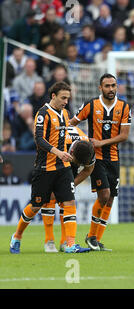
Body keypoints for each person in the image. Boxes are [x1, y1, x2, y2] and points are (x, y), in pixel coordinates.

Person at [9, 82, 90, 254]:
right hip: (44, 167)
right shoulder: (43, 113)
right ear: (53, 96)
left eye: (68, 98)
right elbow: (39, 139)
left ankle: (69, 244)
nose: (66, 101)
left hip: (63, 168)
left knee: (69, 203)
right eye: (63, 98)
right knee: (35, 206)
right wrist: (58, 152)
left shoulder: (66, 113)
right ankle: (17, 236)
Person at [70, 73, 131, 252]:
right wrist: (81, 140)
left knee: (110, 199)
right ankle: (91, 236)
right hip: (96, 158)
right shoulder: (91, 104)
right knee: (104, 195)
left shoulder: (124, 106)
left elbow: (124, 135)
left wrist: (101, 142)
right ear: (100, 88)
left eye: (113, 85)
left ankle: (96, 240)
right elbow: (71, 123)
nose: (111, 89)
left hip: (113, 157)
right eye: (107, 86)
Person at [40, 126, 96, 253]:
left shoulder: (88, 148)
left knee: (67, 200)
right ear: (72, 154)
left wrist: (70, 184)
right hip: (52, 159)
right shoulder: (60, 142)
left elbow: (88, 170)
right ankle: (48, 241)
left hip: (70, 158)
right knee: (48, 199)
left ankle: (65, 242)